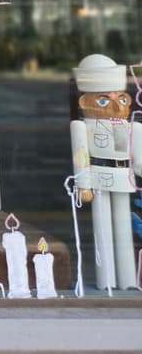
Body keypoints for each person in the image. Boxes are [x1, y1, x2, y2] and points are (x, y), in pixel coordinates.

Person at [70, 53, 142, 289]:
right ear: (84, 103)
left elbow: (138, 157)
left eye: (120, 99)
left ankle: (128, 279)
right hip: (99, 174)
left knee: (123, 227)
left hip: (123, 175)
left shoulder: (131, 126)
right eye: (103, 101)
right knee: (102, 228)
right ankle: (106, 280)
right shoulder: (81, 127)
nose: (115, 106)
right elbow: (81, 157)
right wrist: (83, 184)